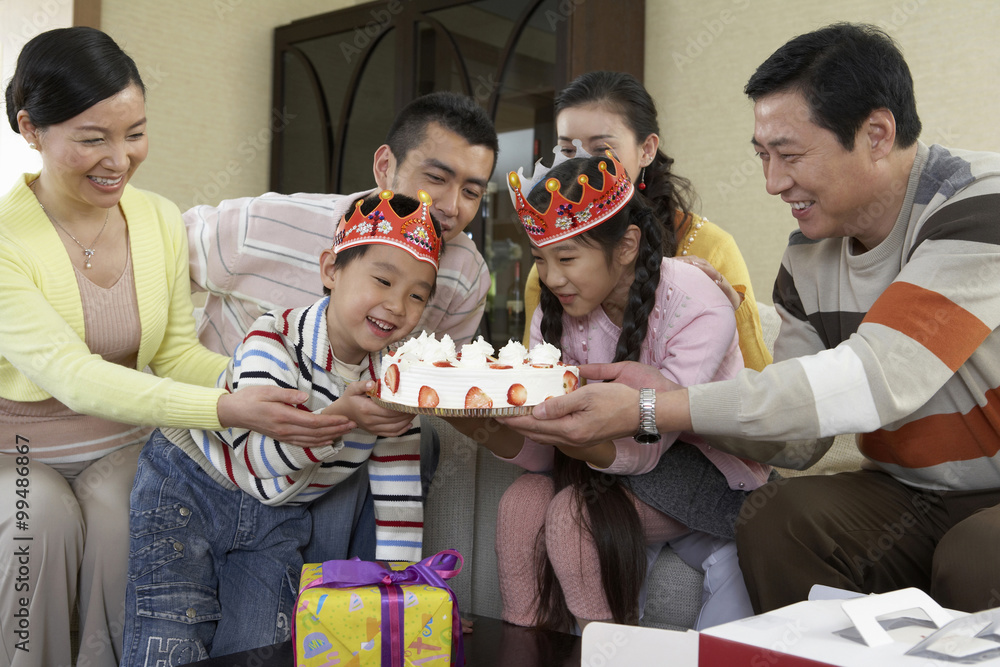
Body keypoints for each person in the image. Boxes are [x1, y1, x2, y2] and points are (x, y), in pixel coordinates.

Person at [501, 23, 1000, 615]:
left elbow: (878, 377)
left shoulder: (975, 202)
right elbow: (796, 439)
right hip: (907, 493)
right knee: (774, 521)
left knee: (974, 557)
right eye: (763, 157)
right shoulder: (808, 253)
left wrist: (654, 409)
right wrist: (670, 393)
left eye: (788, 155)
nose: (772, 182)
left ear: (876, 134)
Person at [0, 28, 350, 667]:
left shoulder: (158, 218)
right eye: (92, 138)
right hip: (19, 450)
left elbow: (177, 356)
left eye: (133, 133)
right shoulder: (4, 240)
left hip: (119, 441)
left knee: (120, 517)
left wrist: (285, 388)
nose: (119, 158)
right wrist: (227, 411)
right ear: (30, 128)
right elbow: (69, 375)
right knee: (39, 520)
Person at [448, 151, 770, 633]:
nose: (551, 279)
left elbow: (649, 450)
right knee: (520, 505)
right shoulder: (552, 312)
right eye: (540, 260)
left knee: (572, 519)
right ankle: (525, 647)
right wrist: (479, 423)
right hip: (605, 467)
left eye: (568, 257)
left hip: (700, 473)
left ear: (626, 246)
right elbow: (544, 457)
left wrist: (558, 429)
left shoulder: (696, 304)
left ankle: (605, 650)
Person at [123, 191, 441, 662]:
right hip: (190, 488)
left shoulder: (393, 380)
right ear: (331, 270)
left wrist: (402, 592)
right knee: (171, 641)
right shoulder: (271, 339)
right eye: (382, 280)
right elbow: (261, 457)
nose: (397, 305)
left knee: (266, 648)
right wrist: (342, 417)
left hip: (277, 516)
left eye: (417, 296)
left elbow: (399, 497)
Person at [183, 91, 497, 563]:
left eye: (472, 192)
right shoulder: (268, 223)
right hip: (229, 436)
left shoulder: (464, 274)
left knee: (415, 435)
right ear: (385, 166)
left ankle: (368, 593)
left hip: (336, 446)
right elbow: (154, 254)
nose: (452, 206)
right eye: (436, 178)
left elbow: (427, 382)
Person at [521, 71, 771, 372]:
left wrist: (733, 308)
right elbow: (537, 377)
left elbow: (759, 379)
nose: (582, 166)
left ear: (647, 149)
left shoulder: (709, 248)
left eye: (601, 150)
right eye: (568, 151)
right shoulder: (553, 269)